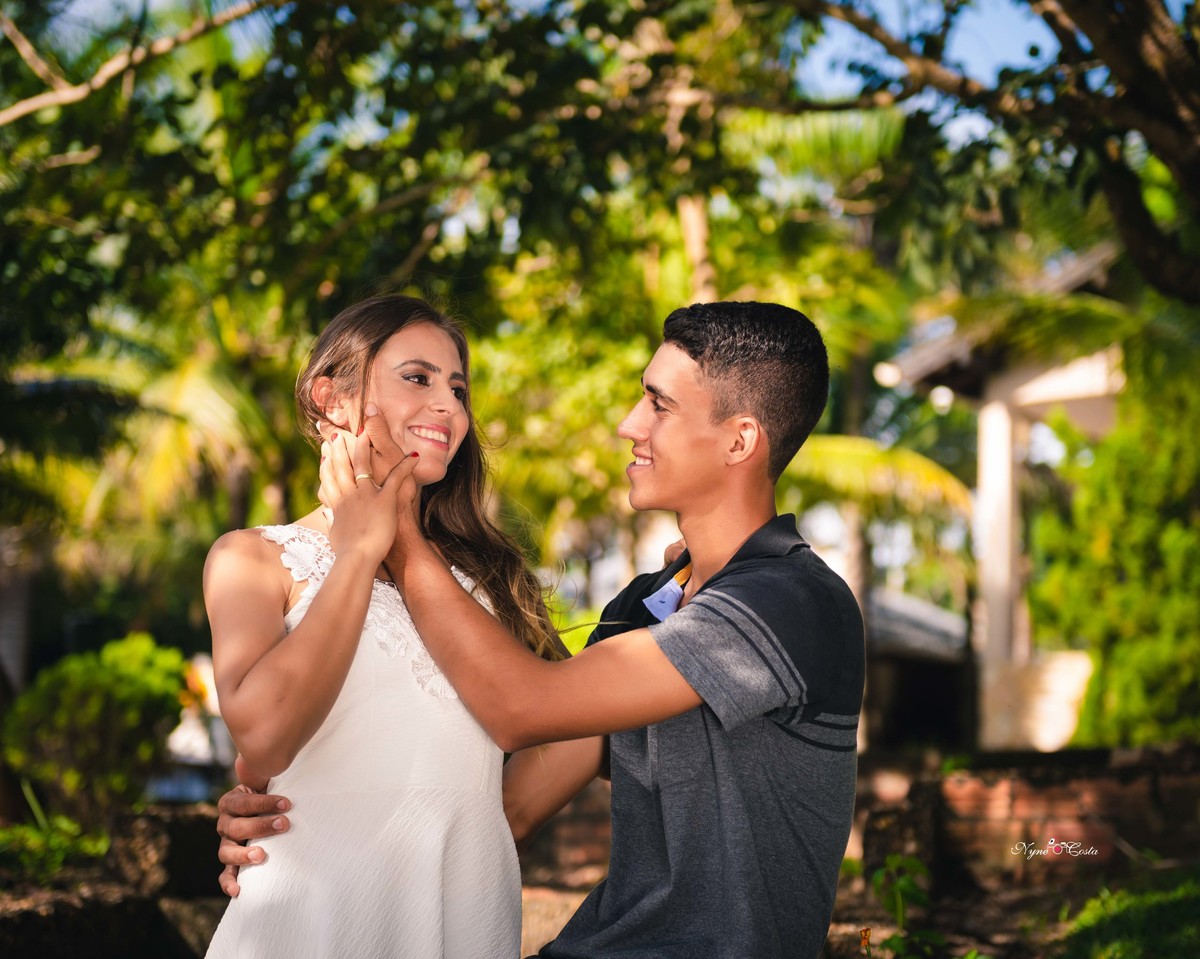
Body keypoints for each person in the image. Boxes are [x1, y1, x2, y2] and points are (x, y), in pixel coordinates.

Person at [220, 301, 866, 959]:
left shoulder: (789, 600)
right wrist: (297, 824)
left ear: (740, 439)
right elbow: (511, 806)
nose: (628, 425)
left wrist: (395, 534)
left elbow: (522, 707)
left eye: (658, 405)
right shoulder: (647, 603)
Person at [202, 294, 574, 959]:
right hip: (308, 928)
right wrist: (358, 550)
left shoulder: (492, 584)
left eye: (458, 388)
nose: (449, 407)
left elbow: (572, 720)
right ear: (331, 398)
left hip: (456, 920)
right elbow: (263, 734)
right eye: (418, 377)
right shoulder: (252, 559)